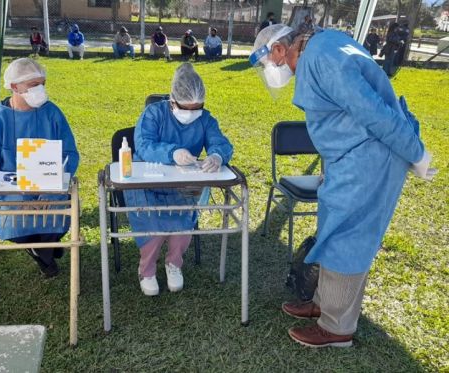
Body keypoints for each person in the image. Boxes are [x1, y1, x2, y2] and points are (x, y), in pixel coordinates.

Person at [249, 24, 434, 347]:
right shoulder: (321, 50)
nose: (274, 72)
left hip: (369, 160)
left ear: (279, 49)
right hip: (351, 158)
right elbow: (340, 117)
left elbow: (374, 112)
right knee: (332, 230)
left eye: (270, 63)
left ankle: (337, 328)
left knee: (347, 238)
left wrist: (415, 152)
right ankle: (324, 304)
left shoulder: (322, 58)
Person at [124, 63, 233, 296]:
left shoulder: (205, 119)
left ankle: (174, 264)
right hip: (147, 183)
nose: (192, 113)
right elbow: (144, 145)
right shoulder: (153, 113)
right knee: (152, 224)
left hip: (182, 183)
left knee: (183, 220)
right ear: (172, 101)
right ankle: (147, 270)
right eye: (186, 108)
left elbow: (220, 141)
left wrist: (217, 155)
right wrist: (171, 153)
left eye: (198, 108)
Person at [0, 58, 79, 278]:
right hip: (9, 190)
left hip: (49, 186)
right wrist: (14, 187)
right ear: (14, 87)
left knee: (56, 212)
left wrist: (53, 181)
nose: (40, 90)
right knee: (17, 219)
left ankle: (46, 245)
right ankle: (43, 252)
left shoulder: (52, 113)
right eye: (33, 85)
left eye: (42, 84)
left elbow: (69, 153)